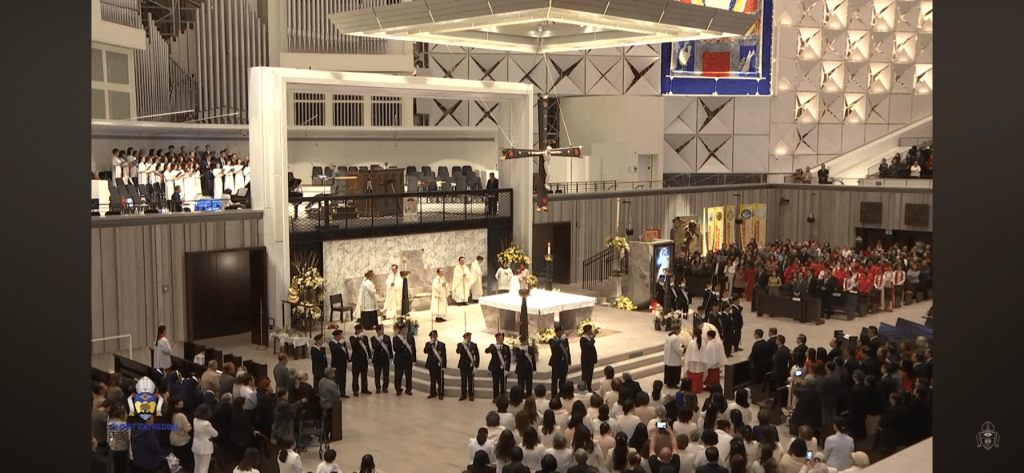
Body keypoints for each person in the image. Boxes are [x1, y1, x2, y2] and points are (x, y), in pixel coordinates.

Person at [486, 333, 512, 400]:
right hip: (495, 368)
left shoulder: (506, 347)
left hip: (503, 369)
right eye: (500, 338)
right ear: (496, 339)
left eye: (502, 338)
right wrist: (493, 348)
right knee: (495, 384)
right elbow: (486, 351)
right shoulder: (493, 346)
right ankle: (496, 398)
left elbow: (508, 359)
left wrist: (507, 369)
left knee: (503, 384)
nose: (501, 339)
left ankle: (503, 398)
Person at [349, 324, 373, 396]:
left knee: (364, 375)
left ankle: (364, 388)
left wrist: (369, 357)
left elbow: (367, 347)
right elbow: (354, 345)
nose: (362, 331)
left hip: (364, 359)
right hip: (356, 359)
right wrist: (358, 337)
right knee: (355, 376)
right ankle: (355, 390)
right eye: (360, 330)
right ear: (357, 330)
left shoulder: (365, 337)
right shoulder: (352, 338)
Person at [393, 323, 415, 395]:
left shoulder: (410, 338)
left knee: (408, 376)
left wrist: (414, 359)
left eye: (406, 329)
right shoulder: (396, 338)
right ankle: (398, 389)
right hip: (399, 360)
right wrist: (403, 345)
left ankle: (408, 389)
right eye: (403, 330)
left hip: (408, 360)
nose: (405, 331)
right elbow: (395, 348)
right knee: (398, 376)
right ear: (400, 330)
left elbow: (413, 349)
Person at [550, 326, 572, 399]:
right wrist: (560, 340)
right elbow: (554, 349)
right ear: (557, 333)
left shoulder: (565, 340)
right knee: (554, 381)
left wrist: (569, 362)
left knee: (563, 380)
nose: (562, 333)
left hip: (563, 363)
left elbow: (567, 351)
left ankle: (562, 394)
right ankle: (554, 395)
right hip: (556, 363)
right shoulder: (552, 340)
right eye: (560, 332)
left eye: (562, 331)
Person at [424, 329, 447, 400]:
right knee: (432, 380)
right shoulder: (428, 344)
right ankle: (432, 393)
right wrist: (430, 344)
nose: (432, 337)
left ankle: (441, 393)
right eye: (431, 336)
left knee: (440, 380)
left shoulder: (442, 345)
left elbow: (444, 356)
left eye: (434, 336)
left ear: (437, 336)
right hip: (431, 364)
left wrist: (444, 365)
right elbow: (425, 351)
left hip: (439, 364)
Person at [458, 332, 481, 401]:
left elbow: (477, 356)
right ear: (464, 337)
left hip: (471, 366)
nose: (469, 338)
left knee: (471, 381)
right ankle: (463, 394)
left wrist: (476, 366)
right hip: (463, 365)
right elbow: (458, 351)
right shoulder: (460, 345)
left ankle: (471, 394)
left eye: (470, 337)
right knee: (463, 381)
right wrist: (463, 345)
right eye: (467, 337)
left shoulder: (474, 345)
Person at [319, 367, 341, 439]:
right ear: (329, 374)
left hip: (322, 403)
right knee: (330, 421)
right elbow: (337, 395)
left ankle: (323, 435)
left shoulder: (321, 381)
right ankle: (332, 435)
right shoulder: (332, 384)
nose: (334, 373)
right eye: (333, 372)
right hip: (330, 405)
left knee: (325, 421)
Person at [107, 406, 131, 473]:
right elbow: (128, 439)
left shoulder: (110, 422)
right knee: (123, 469)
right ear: (121, 415)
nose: (127, 415)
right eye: (126, 414)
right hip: (122, 450)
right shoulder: (123, 425)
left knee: (116, 469)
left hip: (113, 449)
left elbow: (109, 435)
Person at [684, 328, 707, 394]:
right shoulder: (703, 342)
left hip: (692, 363)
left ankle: (692, 389)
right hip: (700, 363)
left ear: (694, 334)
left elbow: (688, 354)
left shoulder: (692, 343)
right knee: (699, 377)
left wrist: (686, 363)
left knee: (693, 377)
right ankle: (699, 389)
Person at [371, 324, 393, 393]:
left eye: (382, 329)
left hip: (385, 358)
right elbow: (374, 346)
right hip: (377, 359)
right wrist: (379, 341)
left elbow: (390, 348)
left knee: (386, 374)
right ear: (377, 331)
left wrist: (391, 357)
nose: (382, 331)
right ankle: (378, 387)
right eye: (380, 329)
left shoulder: (387, 337)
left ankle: (385, 387)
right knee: (377, 374)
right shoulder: (373, 338)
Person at [328, 329, 350, 398]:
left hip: (343, 363)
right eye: (340, 335)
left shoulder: (341, 342)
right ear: (336, 336)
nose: (341, 336)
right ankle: (335, 393)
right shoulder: (332, 343)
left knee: (343, 378)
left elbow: (345, 350)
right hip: (336, 364)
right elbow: (334, 350)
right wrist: (339, 343)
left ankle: (342, 392)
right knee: (336, 379)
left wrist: (347, 358)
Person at [579, 324, 598, 392]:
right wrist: (592, 339)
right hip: (586, 361)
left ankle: (589, 388)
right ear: (587, 331)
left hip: (590, 360)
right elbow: (588, 346)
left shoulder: (588, 338)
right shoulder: (583, 339)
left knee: (590, 375)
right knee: (586, 375)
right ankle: (585, 388)